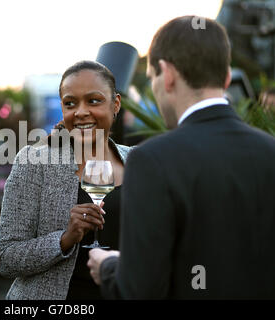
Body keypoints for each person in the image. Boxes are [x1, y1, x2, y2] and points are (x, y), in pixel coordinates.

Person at [87, 16, 275, 299]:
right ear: (226, 77)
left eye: (151, 78)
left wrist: (109, 267)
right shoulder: (270, 150)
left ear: (168, 74)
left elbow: (139, 291)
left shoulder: (152, 160)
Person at [0, 61, 133, 299]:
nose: (80, 111)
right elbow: (5, 258)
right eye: (70, 103)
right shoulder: (33, 162)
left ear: (115, 104)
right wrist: (65, 239)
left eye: (93, 100)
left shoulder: (138, 161)